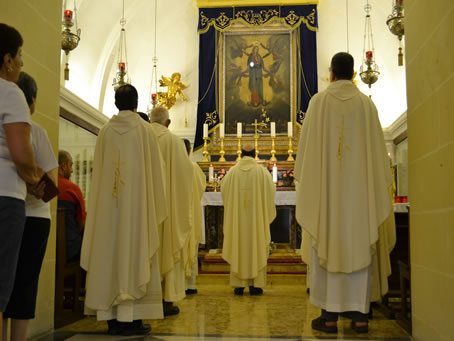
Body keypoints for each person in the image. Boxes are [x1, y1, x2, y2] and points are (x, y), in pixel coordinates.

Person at [294, 52, 394, 334]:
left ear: (332, 73)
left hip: (327, 200)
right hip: (360, 200)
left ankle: (329, 318)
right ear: (352, 74)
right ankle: (360, 317)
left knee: (328, 241)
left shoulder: (318, 103)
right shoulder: (366, 105)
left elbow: (307, 160)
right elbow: (378, 161)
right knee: (359, 242)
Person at [80, 84, 167, 335]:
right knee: (135, 251)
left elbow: (97, 178)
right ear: (136, 104)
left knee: (109, 252)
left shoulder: (105, 131)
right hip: (137, 210)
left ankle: (110, 316)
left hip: (109, 210)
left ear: (116, 102)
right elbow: (155, 174)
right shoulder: (144, 130)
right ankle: (132, 317)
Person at [2, 72, 58, 341]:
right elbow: (51, 186)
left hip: (14, 210)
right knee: (24, 284)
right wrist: (34, 181)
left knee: (5, 284)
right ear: (32, 100)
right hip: (34, 215)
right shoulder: (36, 131)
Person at [0, 23, 42, 339]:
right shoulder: (11, 92)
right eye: (20, 57)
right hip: (5, 199)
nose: (21, 64)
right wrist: (35, 179)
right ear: (7, 61)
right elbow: (21, 154)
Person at [150, 106, 193, 315]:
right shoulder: (175, 142)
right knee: (166, 244)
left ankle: (146, 300)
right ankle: (166, 299)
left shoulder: (142, 137)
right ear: (168, 123)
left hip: (146, 210)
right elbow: (187, 179)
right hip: (168, 209)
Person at [221, 145, 276, 295]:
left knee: (238, 244)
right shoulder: (262, 173)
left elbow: (223, 190)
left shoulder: (232, 173)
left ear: (242, 154)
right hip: (256, 221)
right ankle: (255, 285)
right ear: (254, 154)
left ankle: (239, 285)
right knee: (256, 244)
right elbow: (271, 192)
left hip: (238, 220)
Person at [182, 138, 207, 295]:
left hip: (175, 215)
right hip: (190, 211)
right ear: (190, 150)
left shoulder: (169, 165)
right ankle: (190, 285)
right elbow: (202, 186)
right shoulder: (193, 167)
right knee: (190, 244)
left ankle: (176, 286)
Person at [57, 150, 86, 262]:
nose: (72, 170)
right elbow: (81, 223)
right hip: (70, 249)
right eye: (71, 165)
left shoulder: (47, 185)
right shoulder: (73, 189)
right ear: (63, 166)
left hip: (49, 247)